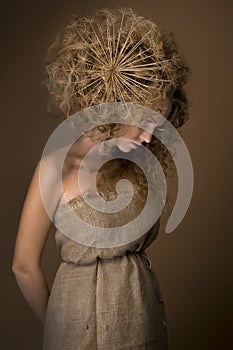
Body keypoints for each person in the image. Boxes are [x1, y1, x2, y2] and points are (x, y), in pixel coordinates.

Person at [12, 7, 190, 350]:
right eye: (145, 122)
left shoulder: (142, 163)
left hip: (141, 315)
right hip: (73, 319)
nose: (150, 138)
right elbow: (23, 265)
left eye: (160, 125)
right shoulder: (54, 169)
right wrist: (59, 325)